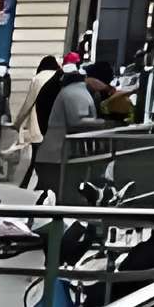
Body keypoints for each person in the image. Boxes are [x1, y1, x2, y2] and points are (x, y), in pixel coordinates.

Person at [30, 58, 96, 201]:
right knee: (61, 198)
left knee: (54, 197)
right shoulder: (75, 93)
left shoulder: (66, 91)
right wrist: (103, 124)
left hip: (54, 154)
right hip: (59, 156)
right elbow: (78, 122)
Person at [5, 55, 55, 188]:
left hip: (38, 120)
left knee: (35, 156)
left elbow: (28, 103)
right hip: (53, 121)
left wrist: (18, 122)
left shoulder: (37, 79)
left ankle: (27, 182)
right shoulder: (57, 76)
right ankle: (38, 182)